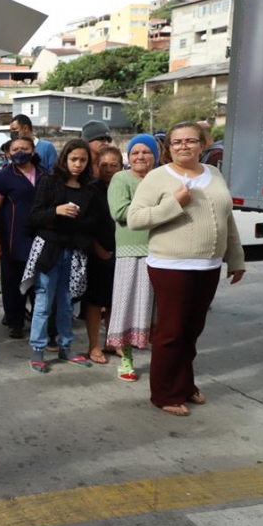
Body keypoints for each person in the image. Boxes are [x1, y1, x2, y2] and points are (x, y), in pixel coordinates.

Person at [127, 121, 245, 417]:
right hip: (171, 265)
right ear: (169, 147)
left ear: (202, 144)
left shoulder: (214, 174)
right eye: (177, 142)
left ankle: (185, 383)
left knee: (192, 330)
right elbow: (136, 218)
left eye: (190, 141)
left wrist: (236, 258)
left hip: (208, 265)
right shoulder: (157, 178)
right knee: (171, 331)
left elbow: (227, 219)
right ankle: (164, 393)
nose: (183, 146)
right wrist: (175, 203)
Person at [23, 139, 111, 373]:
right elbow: (34, 217)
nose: (78, 164)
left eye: (83, 160)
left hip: (74, 253)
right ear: (65, 159)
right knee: (42, 301)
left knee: (66, 303)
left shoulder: (90, 189)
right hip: (49, 250)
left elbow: (94, 222)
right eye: (74, 159)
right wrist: (57, 211)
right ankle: (38, 351)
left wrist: (77, 219)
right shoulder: (50, 182)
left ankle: (66, 347)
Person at [105, 135, 160, 381]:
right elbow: (120, 212)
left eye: (146, 152)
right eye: (135, 152)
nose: (140, 157)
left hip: (162, 251)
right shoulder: (121, 178)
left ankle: (160, 360)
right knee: (127, 306)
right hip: (131, 251)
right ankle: (126, 358)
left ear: (155, 156)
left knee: (158, 310)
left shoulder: (163, 178)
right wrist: (161, 212)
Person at [0, 135, 47, 338]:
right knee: (13, 283)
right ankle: (15, 322)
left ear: (33, 151)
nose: (20, 152)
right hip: (12, 239)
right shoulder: (2, 177)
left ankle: (40, 320)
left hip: (40, 239)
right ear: (8, 153)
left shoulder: (45, 175)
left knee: (38, 283)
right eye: (15, 149)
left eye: (25, 148)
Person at [83, 145, 122, 365]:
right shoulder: (91, 189)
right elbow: (87, 226)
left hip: (122, 252)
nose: (108, 169)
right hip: (98, 253)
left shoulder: (124, 185)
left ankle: (111, 341)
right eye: (103, 165)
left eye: (113, 165)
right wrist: (101, 252)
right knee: (96, 302)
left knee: (115, 301)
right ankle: (94, 345)